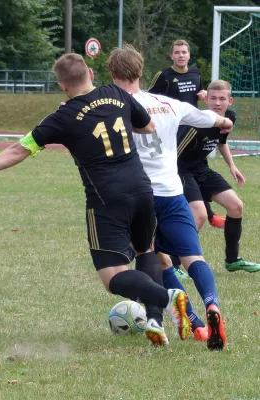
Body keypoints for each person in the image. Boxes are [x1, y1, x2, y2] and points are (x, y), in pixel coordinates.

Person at [0, 53, 192, 347]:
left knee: (113, 277)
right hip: (143, 189)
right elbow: (148, 127)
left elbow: (19, 150)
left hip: (107, 199)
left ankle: (167, 297)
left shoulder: (63, 116)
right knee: (146, 250)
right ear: (90, 73)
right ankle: (155, 320)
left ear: (63, 86)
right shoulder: (117, 93)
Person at [107, 44, 230, 350]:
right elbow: (210, 119)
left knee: (157, 260)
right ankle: (211, 306)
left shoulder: (113, 107)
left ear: (112, 74)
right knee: (192, 257)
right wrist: (223, 122)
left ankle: (192, 320)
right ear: (141, 70)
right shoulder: (169, 104)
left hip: (139, 196)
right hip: (173, 194)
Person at [177, 79, 260, 273]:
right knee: (199, 215)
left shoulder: (229, 118)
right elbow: (174, 151)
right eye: (213, 98)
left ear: (230, 101)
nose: (217, 103)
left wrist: (232, 166)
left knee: (236, 206)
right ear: (206, 100)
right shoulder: (196, 122)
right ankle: (172, 265)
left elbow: (221, 141)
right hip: (181, 170)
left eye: (222, 99)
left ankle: (232, 260)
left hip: (202, 170)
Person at [149, 39, 225, 232]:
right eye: (177, 52)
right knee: (178, 166)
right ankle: (182, 208)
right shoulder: (164, 76)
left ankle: (208, 212)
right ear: (171, 55)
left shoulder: (196, 73)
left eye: (184, 52)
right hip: (172, 129)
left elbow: (198, 95)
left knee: (198, 164)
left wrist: (204, 94)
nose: (181, 55)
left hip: (193, 128)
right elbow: (149, 96)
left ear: (189, 55)